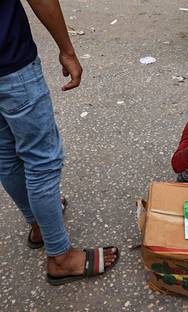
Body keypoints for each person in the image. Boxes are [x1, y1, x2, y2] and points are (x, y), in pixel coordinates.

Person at [0, 0, 119, 285]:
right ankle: (60, 257)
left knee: (6, 154)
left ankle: (38, 225)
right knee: (41, 160)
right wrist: (67, 49)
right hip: (9, 63)